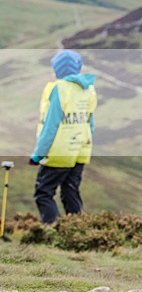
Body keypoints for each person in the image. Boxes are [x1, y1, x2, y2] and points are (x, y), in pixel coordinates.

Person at [30, 49, 97, 224]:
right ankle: (78, 231)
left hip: (59, 152)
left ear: (57, 70)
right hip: (80, 150)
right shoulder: (88, 89)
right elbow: (90, 122)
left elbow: (50, 126)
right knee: (70, 191)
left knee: (44, 193)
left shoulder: (58, 89)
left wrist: (38, 154)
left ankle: (52, 231)